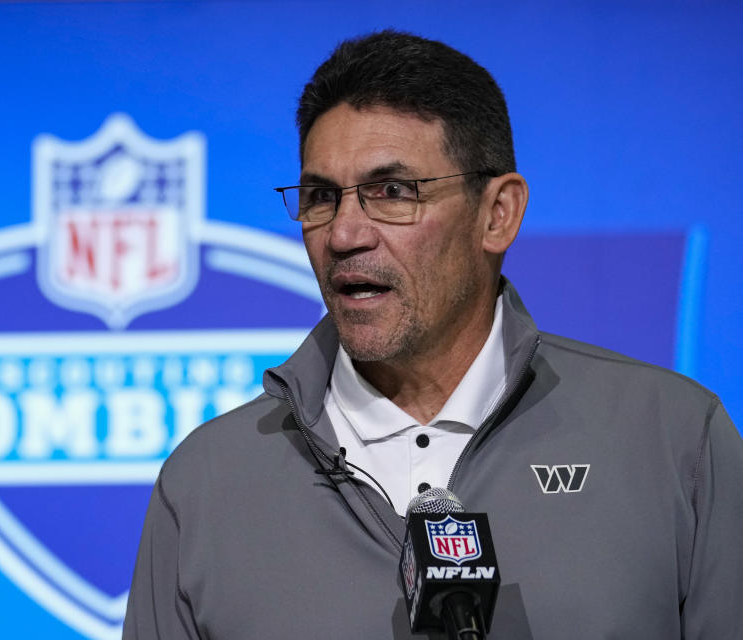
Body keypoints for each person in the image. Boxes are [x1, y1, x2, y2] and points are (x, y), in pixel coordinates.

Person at [123, 31, 743, 639]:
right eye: (320, 196)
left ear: (497, 214)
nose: (343, 235)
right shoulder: (204, 483)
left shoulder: (673, 440)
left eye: (392, 192)